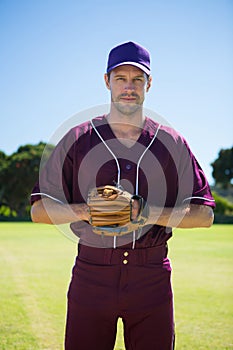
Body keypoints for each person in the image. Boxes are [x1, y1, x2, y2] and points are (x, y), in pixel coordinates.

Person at [30, 41, 215, 350]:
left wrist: (146, 212)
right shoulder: (77, 139)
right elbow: (38, 210)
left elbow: (205, 215)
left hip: (151, 275)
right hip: (92, 273)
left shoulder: (172, 142)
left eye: (137, 79)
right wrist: (86, 210)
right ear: (107, 81)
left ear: (149, 83)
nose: (129, 87)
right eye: (121, 78)